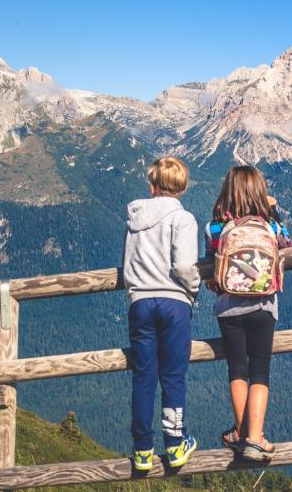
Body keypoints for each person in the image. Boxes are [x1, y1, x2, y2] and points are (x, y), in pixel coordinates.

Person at [204, 166, 291, 462]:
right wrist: (274, 211)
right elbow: (287, 243)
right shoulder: (272, 227)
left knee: (237, 369)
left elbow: (210, 260)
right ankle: (256, 438)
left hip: (229, 307)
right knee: (260, 371)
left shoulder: (215, 228)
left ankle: (240, 433)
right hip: (264, 306)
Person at [121, 157, 200, 471]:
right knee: (172, 376)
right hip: (173, 302)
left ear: (152, 185)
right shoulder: (183, 219)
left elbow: (127, 262)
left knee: (143, 377)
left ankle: (142, 449)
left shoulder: (133, 219)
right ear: (181, 187)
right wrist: (192, 289)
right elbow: (184, 265)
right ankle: (175, 443)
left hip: (140, 302)